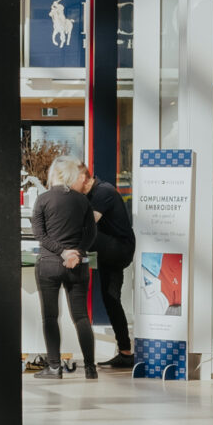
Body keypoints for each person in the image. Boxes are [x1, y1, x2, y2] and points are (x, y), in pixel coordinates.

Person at [33, 155, 98, 379]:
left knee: (50, 317)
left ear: (53, 174)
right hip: (78, 266)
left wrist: (61, 252)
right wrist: (76, 252)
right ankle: (90, 368)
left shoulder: (43, 199)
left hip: (49, 265)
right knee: (81, 316)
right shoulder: (83, 201)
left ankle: (54, 367)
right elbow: (91, 234)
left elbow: (39, 234)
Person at [83, 162, 135, 369]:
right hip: (110, 253)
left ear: (83, 178)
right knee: (110, 299)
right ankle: (125, 352)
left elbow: (89, 224)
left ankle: (125, 351)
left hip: (119, 249)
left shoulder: (103, 191)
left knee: (88, 232)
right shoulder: (91, 194)